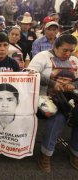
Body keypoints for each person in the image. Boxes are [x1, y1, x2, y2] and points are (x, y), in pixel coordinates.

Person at [27, 34, 78, 173]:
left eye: (71, 51)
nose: (68, 54)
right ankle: (46, 154)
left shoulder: (74, 60)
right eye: (64, 50)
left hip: (68, 100)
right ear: (55, 47)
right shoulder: (43, 56)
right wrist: (52, 83)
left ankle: (75, 151)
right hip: (44, 99)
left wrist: (73, 84)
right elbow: (29, 72)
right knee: (58, 117)